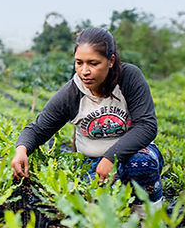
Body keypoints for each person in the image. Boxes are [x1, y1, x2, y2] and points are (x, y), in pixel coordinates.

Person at [10, 27, 163, 204]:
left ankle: (149, 215)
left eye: (93, 63)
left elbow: (147, 126)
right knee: (101, 203)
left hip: (132, 155)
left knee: (141, 164)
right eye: (79, 63)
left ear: (110, 61)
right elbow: (38, 129)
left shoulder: (129, 77)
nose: (84, 71)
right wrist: (21, 150)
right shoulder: (72, 92)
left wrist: (111, 157)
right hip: (92, 162)